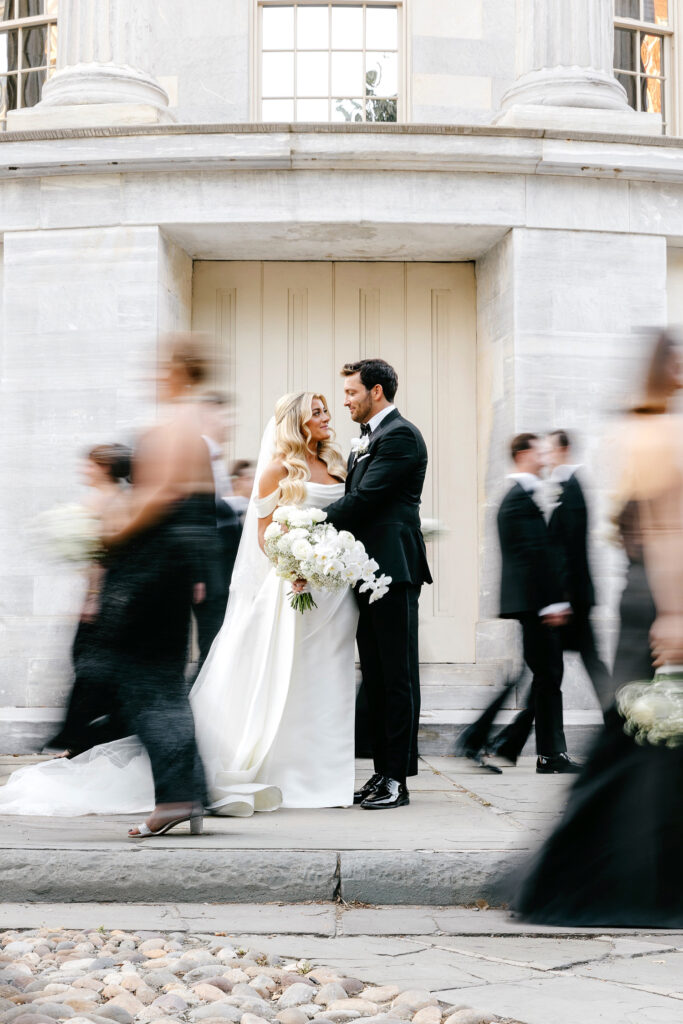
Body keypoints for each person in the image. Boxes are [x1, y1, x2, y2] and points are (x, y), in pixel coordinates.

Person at [0, 390, 357, 819]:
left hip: (334, 595)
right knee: (278, 682)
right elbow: (263, 534)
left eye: (325, 411)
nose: (325, 417)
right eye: (316, 412)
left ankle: (323, 774)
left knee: (326, 681)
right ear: (297, 422)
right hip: (294, 590)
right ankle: (260, 778)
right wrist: (295, 562)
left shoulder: (339, 464)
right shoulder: (276, 469)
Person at [512, 334, 683, 926]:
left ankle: (594, 876)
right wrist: (676, 613)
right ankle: (612, 882)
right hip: (663, 595)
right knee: (648, 740)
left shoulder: (633, 434)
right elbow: (666, 533)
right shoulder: (660, 436)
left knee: (636, 741)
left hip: (642, 596)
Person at [324, 359, 432, 810]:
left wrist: (306, 525)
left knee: (397, 676)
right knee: (377, 676)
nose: (345, 399)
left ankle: (397, 780)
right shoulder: (366, 441)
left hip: (393, 569)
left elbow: (365, 500)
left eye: (351, 392)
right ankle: (380, 772)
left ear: (376, 393)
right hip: (366, 569)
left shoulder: (401, 436)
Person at [488, 433, 581, 774]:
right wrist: (550, 605)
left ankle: (533, 750)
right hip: (535, 607)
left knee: (545, 677)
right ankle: (534, 751)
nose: (544, 459)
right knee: (548, 676)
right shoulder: (517, 498)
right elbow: (530, 558)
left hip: (534, 606)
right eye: (539, 453)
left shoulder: (521, 495)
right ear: (523, 454)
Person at [45, 443, 131, 758]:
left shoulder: (114, 503)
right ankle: (81, 737)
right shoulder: (99, 500)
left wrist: (93, 598)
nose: (84, 469)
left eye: (89, 465)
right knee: (86, 664)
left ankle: (83, 737)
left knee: (90, 666)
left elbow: (104, 559)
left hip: (107, 596)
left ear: (105, 468)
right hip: (97, 594)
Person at [545, 430, 612, 711]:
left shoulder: (570, 488)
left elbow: (568, 548)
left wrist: (561, 598)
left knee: (549, 669)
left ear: (564, 450)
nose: (545, 456)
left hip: (572, 597)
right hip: (572, 595)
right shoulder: (565, 485)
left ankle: (621, 726)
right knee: (548, 670)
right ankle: (619, 726)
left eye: (549, 450)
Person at [195, 392, 241, 670]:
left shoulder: (215, 458)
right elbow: (200, 513)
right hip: (209, 568)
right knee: (212, 638)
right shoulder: (200, 456)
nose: (230, 423)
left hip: (222, 566)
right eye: (225, 416)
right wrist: (198, 575)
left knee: (218, 637)